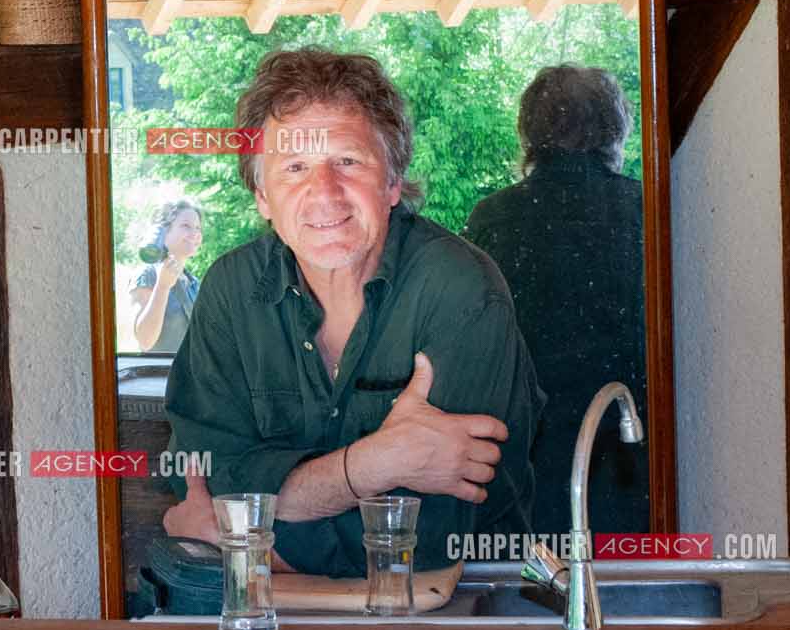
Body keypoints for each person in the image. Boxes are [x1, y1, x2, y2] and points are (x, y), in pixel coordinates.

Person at [158, 49, 543, 578]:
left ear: (392, 182)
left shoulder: (460, 288)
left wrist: (244, 539)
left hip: (460, 609)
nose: (324, 191)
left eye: (348, 161)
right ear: (262, 196)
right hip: (266, 616)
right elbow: (203, 475)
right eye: (295, 167)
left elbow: (433, 535)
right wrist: (372, 464)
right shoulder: (232, 288)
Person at [464, 64, 648, 535]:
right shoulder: (646, 209)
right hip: (632, 458)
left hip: (527, 458)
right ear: (615, 129)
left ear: (530, 133)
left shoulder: (493, 217)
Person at [126, 200, 204, 354]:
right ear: (163, 231)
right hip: (160, 369)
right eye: (186, 226)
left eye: (198, 228)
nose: (195, 233)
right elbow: (145, 341)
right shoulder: (148, 274)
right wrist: (162, 287)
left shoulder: (193, 283)